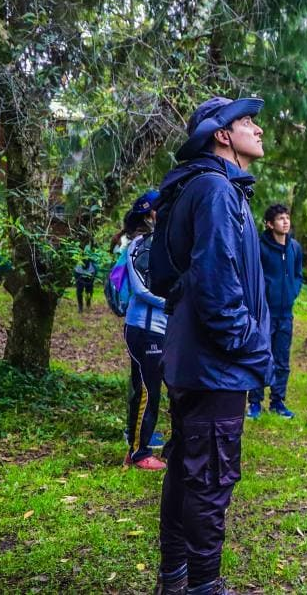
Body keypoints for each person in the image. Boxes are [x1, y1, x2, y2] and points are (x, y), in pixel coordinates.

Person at [153, 96, 272, 595]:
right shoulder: (216, 191)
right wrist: (254, 348)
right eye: (247, 122)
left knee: (186, 469)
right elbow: (217, 286)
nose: (257, 129)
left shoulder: (203, 189)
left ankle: (174, 581)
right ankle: (203, 587)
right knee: (209, 482)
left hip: (194, 361)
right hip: (215, 362)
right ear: (221, 134)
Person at [121, 190, 168, 471]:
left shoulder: (162, 243)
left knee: (150, 389)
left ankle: (140, 445)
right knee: (147, 391)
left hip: (160, 329)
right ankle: (138, 453)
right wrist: (173, 302)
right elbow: (141, 288)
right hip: (144, 329)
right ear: (151, 213)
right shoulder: (139, 245)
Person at [249, 203, 304, 419]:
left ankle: (278, 401)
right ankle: (254, 402)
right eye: (281, 219)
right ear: (270, 224)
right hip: (265, 313)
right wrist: (263, 297)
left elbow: (298, 274)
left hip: (286, 314)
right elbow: (254, 275)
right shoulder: (260, 247)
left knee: (282, 360)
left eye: (287, 218)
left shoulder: (294, 248)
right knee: (261, 356)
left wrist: (293, 291)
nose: (286, 222)